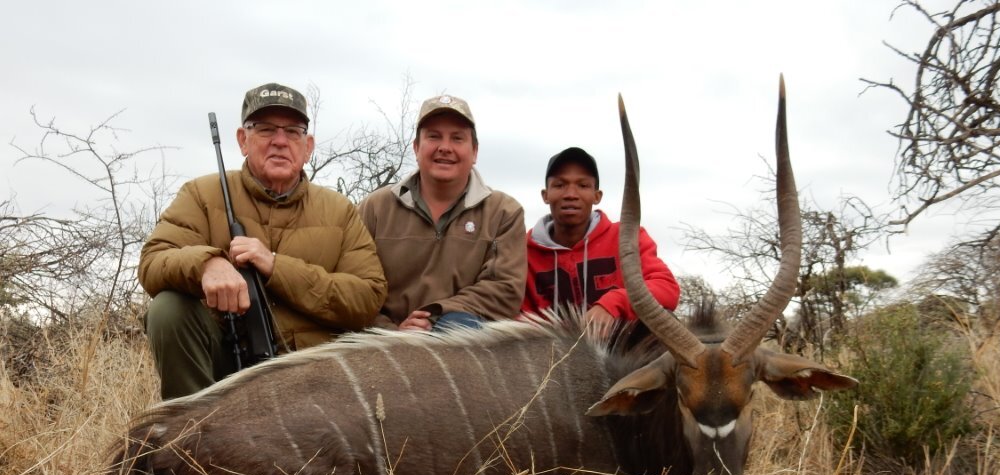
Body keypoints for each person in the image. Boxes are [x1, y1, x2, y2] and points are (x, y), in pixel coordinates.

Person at [139, 82, 386, 399]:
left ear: (308, 146)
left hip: (316, 375)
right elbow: (153, 261)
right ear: (243, 140)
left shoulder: (340, 211)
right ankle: (190, 437)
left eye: (293, 132)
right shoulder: (201, 194)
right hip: (227, 365)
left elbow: (367, 297)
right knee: (167, 309)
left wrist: (275, 267)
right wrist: (207, 264)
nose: (280, 142)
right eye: (266, 130)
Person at [358, 95, 526, 332]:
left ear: (475, 151)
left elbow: (504, 291)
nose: (445, 148)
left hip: (462, 344)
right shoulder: (374, 207)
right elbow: (355, 288)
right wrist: (394, 332)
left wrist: (433, 318)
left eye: (457, 138)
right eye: (433, 136)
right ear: (416, 148)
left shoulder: (504, 212)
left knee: (459, 327)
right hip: (383, 342)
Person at [522, 146, 679, 338]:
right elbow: (517, 315)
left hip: (622, 352)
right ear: (545, 195)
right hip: (553, 355)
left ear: (597, 196)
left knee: (666, 324)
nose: (571, 194)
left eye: (583, 185)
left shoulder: (627, 236)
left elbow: (666, 288)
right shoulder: (523, 251)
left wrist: (612, 305)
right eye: (559, 185)